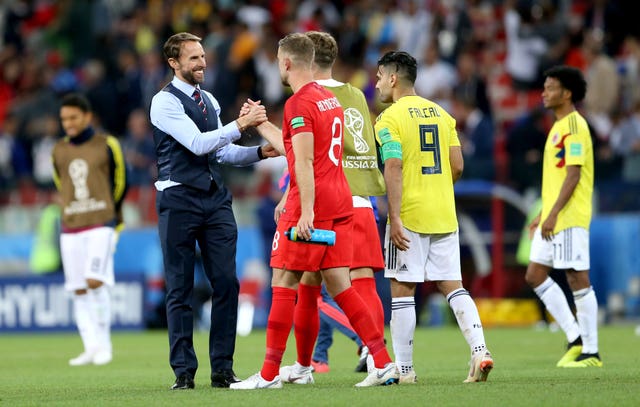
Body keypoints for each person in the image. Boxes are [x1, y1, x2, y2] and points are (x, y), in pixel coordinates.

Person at [230, 33, 397, 390]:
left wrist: (304, 209)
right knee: (341, 285)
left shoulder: (298, 103)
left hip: (314, 204)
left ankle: (270, 374)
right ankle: (383, 362)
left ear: (288, 63)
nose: (278, 67)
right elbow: (306, 153)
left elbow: (302, 161)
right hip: (340, 199)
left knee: (283, 282)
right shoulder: (330, 100)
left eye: (278, 61)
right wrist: (262, 125)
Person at [149, 32, 275, 390]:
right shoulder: (164, 102)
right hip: (178, 200)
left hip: (215, 199)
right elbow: (197, 143)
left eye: (202, 56)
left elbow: (220, 154)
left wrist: (258, 153)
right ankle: (184, 373)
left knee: (226, 283)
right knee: (180, 287)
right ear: (174, 63)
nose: (202, 63)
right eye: (193, 58)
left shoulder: (210, 101)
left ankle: (222, 369)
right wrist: (241, 125)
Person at [373, 51, 493, 383]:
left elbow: (393, 165)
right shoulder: (444, 115)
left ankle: (406, 370)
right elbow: (457, 166)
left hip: (409, 215)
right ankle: (480, 350)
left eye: (380, 76)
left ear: (393, 78)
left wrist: (394, 216)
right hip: (444, 213)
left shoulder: (388, 120)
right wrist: (436, 188)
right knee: (453, 286)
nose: (377, 83)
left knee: (402, 288)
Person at [277, 31, 387, 380]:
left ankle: (365, 355)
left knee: (312, 285)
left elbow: (308, 158)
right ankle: (365, 357)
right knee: (357, 280)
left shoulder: (314, 97)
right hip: (361, 198)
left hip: (328, 201)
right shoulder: (354, 94)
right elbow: (366, 146)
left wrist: (294, 199)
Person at [524, 65, 601, 368]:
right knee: (534, 275)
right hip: (554, 215)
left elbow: (573, 174)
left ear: (566, 93)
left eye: (551, 87)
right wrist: (542, 214)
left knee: (576, 276)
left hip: (570, 216)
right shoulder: (557, 126)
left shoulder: (574, 126)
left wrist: (554, 214)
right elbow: (558, 178)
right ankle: (575, 337)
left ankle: (592, 351)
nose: (544, 92)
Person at [51, 93, 128, 366]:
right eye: (64, 119)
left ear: (86, 116)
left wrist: (111, 212)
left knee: (95, 280)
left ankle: (104, 345)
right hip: (71, 224)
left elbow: (121, 180)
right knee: (78, 289)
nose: (68, 123)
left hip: (101, 222)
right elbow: (62, 184)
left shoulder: (107, 144)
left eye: (73, 117)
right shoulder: (58, 149)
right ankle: (90, 347)